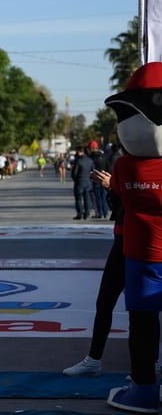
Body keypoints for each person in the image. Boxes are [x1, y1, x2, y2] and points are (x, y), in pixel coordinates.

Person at [63, 169, 161, 378]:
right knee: (105, 301)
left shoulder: (154, 169)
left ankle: (150, 364)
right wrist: (113, 188)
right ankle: (93, 359)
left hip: (145, 244)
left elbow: (144, 204)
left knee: (144, 310)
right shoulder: (126, 165)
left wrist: (114, 187)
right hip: (121, 240)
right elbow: (118, 206)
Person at [71, 145, 94, 220]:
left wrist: (76, 179)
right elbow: (93, 171)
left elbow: (74, 173)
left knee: (78, 199)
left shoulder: (78, 161)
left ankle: (80, 213)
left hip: (79, 182)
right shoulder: (90, 160)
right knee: (87, 198)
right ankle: (87, 213)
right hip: (87, 182)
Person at [89, 141, 108, 219]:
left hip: (96, 179)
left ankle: (100, 213)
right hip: (104, 178)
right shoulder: (104, 157)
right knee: (104, 196)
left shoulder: (92, 158)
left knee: (98, 197)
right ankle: (105, 212)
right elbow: (108, 167)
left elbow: (91, 169)